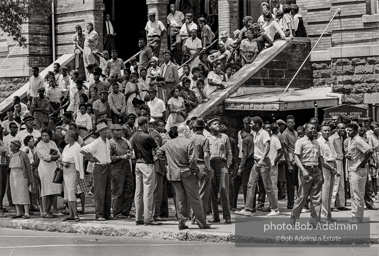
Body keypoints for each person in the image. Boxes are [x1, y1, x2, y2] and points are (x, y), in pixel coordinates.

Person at [157, 124, 210, 230]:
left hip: (174, 174)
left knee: (180, 198)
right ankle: (201, 223)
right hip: (187, 173)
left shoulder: (169, 143)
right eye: (188, 131)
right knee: (195, 198)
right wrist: (194, 171)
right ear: (185, 131)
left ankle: (181, 222)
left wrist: (168, 163)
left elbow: (159, 152)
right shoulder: (188, 142)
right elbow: (192, 160)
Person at [236, 116, 280, 217]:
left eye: (252, 123)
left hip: (263, 161)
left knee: (267, 186)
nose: (250, 125)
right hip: (256, 162)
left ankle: (274, 208)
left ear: (257, 124)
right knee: (250, 184)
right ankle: (248, 208)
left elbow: (267, 147)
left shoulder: (264, 133)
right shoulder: (254, 133)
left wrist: (261, 159)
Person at [290, 123, 323, 226]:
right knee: (302, 197)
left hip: (316, 170)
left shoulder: (317, 143)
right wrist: (303, 170)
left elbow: (320, 159)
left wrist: (321, 173)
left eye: (315, 128)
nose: (314, 130)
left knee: (316, 198)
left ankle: (314, 222)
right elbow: (296, 157)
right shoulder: (300, 142)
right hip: (306, 170)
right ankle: (293, 218)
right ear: (306, 130)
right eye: (311, 128)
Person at [130, 117, 161, 226]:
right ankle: (148, 218)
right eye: (148, 124)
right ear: (144, 124)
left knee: (138, 192)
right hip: (147, 163)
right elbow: (157, 149)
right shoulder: (147, 136)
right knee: (148, 192)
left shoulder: (134, 136)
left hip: (138, 164)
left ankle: (138, 217)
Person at [81, 123, 112, 221]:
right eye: (105, 130)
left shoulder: (106, 141)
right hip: (100, 167)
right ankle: (99, 214)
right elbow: (83, 150)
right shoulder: (96, 142)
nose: (107, 131)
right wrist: (90, 158)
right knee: (100, 192)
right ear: (101, 132)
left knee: (107, 191)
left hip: (107, 166)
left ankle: (106, 213)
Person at [345, 122, 373, 223]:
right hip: (353, 169)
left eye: (350, 130)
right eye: (347, 130)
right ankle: (355, 216)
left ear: (356, 131)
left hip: (358, 170)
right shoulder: (351, 140)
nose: (348, 132)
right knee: (354, 193)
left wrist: (363, 162)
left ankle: (357, 217)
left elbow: (369, 150)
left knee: (357, 194)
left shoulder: (357, 140)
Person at [207, 118, 232, 223]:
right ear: (209, 127)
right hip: (211, 164)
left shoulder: (224, 137)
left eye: (218, 123)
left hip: (222, 164)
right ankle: (215, 216)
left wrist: (227, 165)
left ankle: (227, 216)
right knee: (212, 191)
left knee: (223, 190)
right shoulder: (207, 138)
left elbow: (229, 152)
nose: (217, 125)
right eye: (214, 124)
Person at [109, 124, 134, 219]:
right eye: (117, 130)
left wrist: (129, 153)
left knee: (129, 189)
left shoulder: (124, 141)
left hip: (127, 168)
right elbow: (109, 158)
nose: (120, 132)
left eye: (121, 130)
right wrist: (121, 157)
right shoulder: (111, 143)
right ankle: (116, 212)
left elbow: (129, 150)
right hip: (116, 169)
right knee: (117, 192)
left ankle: (126, 211)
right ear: (112, 132)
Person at [35, 128, 61, 218]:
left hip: (53, 167)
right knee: (46, 190)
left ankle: (49, 210)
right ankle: (45, 211)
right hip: (45, 168)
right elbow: (46, 157)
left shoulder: (52, 143)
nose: (44, 137)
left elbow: (59, 154)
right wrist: (54, 156)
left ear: (50, 136)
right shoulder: (39, 145)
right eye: (43, 136)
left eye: (46, 135)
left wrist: (55, 156)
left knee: (53, 191)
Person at [189, 118, 212, 218]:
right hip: (202, 165)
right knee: (203, 193)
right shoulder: (205, 139)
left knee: (194, 193)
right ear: (203, 128)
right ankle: (201, 217)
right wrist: (209, 167)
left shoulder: (190, 138)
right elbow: (206, 155)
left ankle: (194, 216)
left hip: (192, 166)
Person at [317, 123, 339, 221]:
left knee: (330, 191)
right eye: (325, 130)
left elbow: (334, 156)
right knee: (324, 192)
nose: (327, 132)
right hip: (325, 167)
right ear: (321, 131)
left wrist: (335, 168)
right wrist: (331, 167)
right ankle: (323, 214)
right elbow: (322, 160)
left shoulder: (329, 142)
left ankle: (328, 214)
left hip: (332, 166)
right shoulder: (319, 142)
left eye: (328, 130)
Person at [61, 131, 84, 222]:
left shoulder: (76, 146)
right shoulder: (67, 147)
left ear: (71, 137)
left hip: (72, 170)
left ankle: (75, 215)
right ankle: (71, 214)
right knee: (67, 192)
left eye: (66, 136)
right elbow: (63, 157)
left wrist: (64, 160)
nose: (64, 138)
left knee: (71, 192)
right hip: (65, 170)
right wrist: (63, 161)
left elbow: (73, 158)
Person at [8, 140, 31, 219]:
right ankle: (18, 212)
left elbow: (28, 166)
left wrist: (29, 177)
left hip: (21, 174)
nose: (11, 148)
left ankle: (26, 212)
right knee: (14, 193)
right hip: (13, 174)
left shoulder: (23, 155)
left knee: (23, 192)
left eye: (12, 146)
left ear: (17, 147)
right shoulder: (11, 155)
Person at [234, 127, 254, 209]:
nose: (240, 136)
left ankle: (247, 205)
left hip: (248, 161)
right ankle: (252, 205)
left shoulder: (245, 140)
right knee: (252, 183)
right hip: (254, 160)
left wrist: (240, 167)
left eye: (241, 134)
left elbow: (245, 154)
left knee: (245, 183)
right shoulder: (253, 138)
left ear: (244, 132)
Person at [281, 115, 298, 209]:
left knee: (297, 182)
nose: (290, 124)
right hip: (290, 160)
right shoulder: (285, 134)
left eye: (292, 122)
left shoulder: (295, 133)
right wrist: (288, 164)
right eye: (289, 122)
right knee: (290, 183)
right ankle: (290, 203)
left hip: (297, 159)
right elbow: (285, 150)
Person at [266, 123, 283, 205]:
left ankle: (274, 205)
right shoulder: (270, 139)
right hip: (269, 164)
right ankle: (271, 204)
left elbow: (280, 151)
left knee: (273, 186)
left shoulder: (275, 139)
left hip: (272, 164)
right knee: (270, 186)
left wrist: (275, 161)